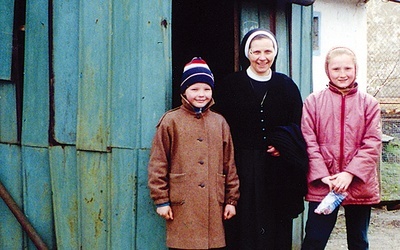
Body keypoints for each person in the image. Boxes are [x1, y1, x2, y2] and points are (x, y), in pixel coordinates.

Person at [213, 28, 308, 250]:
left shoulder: (286, 86)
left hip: (276, 167)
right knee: (242, 221)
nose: (262, 57)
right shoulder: (230, 85)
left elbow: (297, 124)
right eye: (256, 52)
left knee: (275, 222)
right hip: (241, 165)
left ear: (275, 52)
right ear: (247, 53)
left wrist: (284, 146)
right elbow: (220, 124)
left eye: (268, 51)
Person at [147, 57, 240, 249]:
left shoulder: (219, 122)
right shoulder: (170, 121)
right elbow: (158, 163)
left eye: (206, 89)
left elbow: (229, 164)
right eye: (194, 89)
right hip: (182, 205)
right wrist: (161, 200)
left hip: (213, 206)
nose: (201, 94)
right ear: (184, 90)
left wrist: (231, 200)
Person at [301, 47, 382, 250]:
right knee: (314, 239)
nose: (342, 74)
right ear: (327, 71)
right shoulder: (313, 102)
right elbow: (309, 142)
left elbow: (372, 143)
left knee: (358, 241)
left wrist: (349, 174)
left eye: (348, 68)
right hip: (324, 184)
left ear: (356, 69)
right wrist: (323, 176)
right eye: (336, 68)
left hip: (358, 184)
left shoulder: (369, 104)